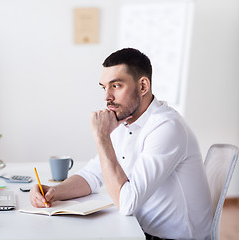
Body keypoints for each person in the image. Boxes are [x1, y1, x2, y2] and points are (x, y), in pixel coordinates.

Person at [30, 48, 212, 240]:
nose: (106, 97)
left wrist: (102, 138)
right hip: (138, 230)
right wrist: (54, 192)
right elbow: (93, 174)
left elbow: (127, 203)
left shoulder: (166, 128)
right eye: (104, 87)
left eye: (116, 86)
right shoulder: (124, 121)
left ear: (143, 86)